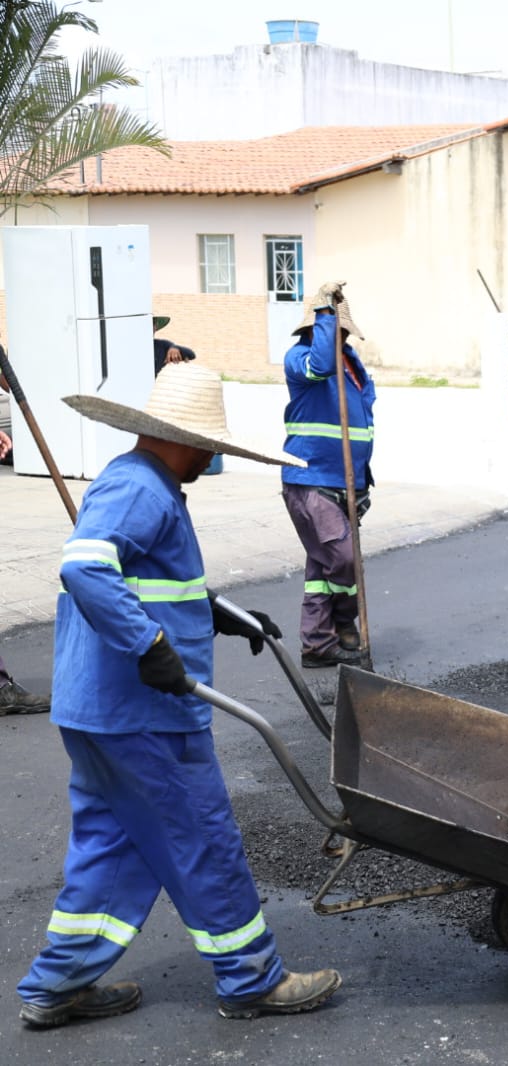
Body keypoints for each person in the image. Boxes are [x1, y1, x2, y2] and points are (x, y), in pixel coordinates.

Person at [16, 362, 341, 1028]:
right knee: (202, 837)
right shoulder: (142, 488)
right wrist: (150, 647)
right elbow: (84, 566)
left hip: (99, 712)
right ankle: (251, 979)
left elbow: (142, 579)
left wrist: (216, 610)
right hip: (143, 713)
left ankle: (56, 988)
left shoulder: (143, 483)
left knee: (112, 846)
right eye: (212, 447)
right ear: (184, 439)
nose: (214, 458)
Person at [280, 281, 375, 667]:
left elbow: (362, 421)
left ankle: (317, 644)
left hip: (348, 482)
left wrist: (364, 480)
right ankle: (341, 621)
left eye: (341, 331)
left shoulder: (352, 365)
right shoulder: (299, 358)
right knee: (344, 557)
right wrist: (324, 311)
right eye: (334, 330)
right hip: (311, 479)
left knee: (323, 566)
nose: (340, 337)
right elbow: (320, 364)